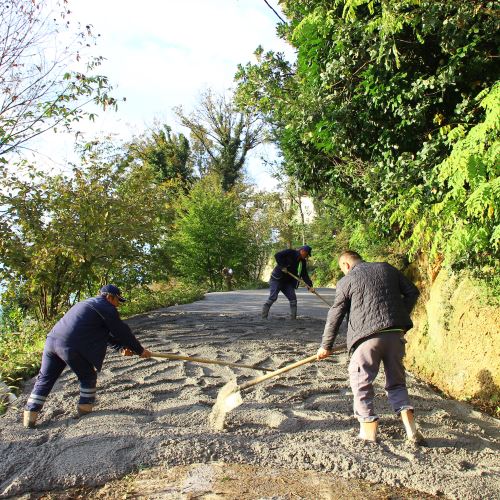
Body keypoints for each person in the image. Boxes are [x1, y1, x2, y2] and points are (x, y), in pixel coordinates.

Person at [316, 250, 425, 445]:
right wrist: (398, 317)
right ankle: (410, 427)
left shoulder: (347, 280)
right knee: (397, 384)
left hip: (366, 340)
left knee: (361, 381)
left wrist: (326, 345)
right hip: (395, 335)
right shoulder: (387, 268)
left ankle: (368, 430)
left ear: (346, 265)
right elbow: (412, 292)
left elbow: (335, 315)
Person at [23, 284, 152, 429]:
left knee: (45, 378)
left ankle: (30, 415)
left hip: (51, 342)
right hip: (70, 346)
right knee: (88, 376)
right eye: (117, 301)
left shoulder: (85, 304)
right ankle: (85, 409)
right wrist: (140, 350)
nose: (118, 305)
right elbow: (122, 332)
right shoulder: (107, 308)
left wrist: (120, 348)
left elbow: (105, 333)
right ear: (110, 297)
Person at [262, 245, 314, 320]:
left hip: (287, 282)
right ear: (302, 251)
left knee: (293, 299)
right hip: (277, 279)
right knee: (273, 297)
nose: (306, 257)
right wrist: (283, 266)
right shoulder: (290, 252)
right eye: (306, 254)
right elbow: (277, 255)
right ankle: (264, 317)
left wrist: (310, 286)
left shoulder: (302, 262)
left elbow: (304, 274)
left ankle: (293, 319)